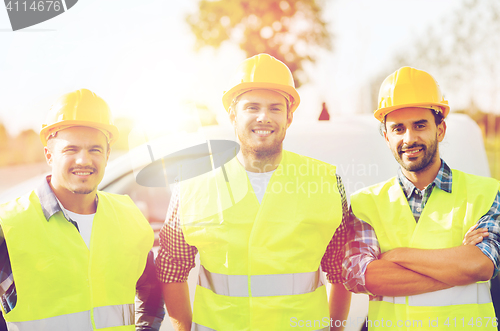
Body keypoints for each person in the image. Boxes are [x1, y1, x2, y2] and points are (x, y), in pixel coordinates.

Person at [156, 53, 352, 331]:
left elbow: (340, 269)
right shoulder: (193, 184)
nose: (264, 117)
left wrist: (335, 328)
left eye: (275, 108)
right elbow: (171, 268)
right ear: (233, 115)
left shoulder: (326, 181)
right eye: (252, 107)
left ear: (289, 116)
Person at [343, 66, 500, 330]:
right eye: (398, 129)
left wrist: (395, 256)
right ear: (386, 136)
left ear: (440, 129)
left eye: (420, 125)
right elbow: (366, 278)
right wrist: (457, 266)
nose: (409, 138)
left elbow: (481, 265)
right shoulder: (364, 204)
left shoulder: (486, 193)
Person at [0, 89, 164, 330]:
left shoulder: (129, 217)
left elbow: (151, 296)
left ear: (108, 155)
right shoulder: (10, 225)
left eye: (95, 150)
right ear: (49, 155)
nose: (84, 160)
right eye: (71, 149)